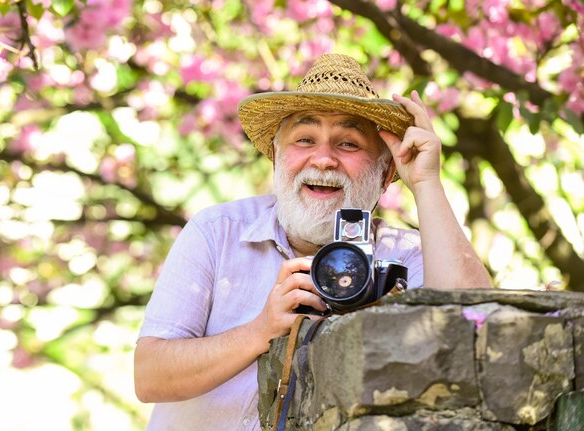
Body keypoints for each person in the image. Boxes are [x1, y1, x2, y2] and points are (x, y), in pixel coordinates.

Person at [134, 53, 492, 430]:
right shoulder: (217, 232)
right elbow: (149, 376)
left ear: (385, 173)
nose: (323, 159)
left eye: (349, 144)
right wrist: (261, 330)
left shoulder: (406, 256)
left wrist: (427, 183)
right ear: (275, 157)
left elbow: (476, 334)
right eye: (305, 140)